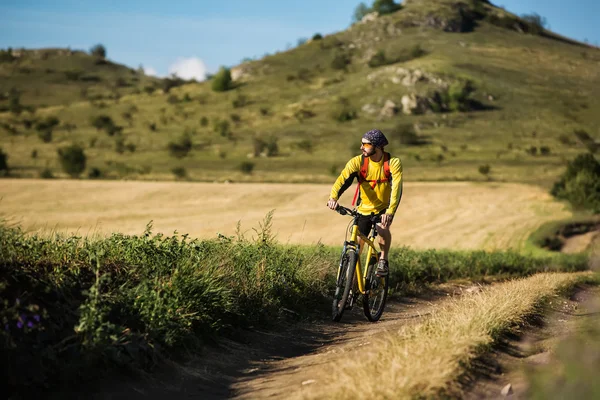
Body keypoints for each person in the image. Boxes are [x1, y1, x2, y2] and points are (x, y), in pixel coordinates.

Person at [327, 129, 403, 277]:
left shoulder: (392, 163)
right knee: (356, 245)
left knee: (382, 228)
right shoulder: (357, 162)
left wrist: (390, 212)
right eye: (362, 144)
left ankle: (383, 259)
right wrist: (333, 198)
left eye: (366, 145)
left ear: (378, 146)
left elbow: (397, 189)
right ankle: (351, 286)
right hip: (363, 209)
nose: (361, 147)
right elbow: (342, 180)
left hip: (383, 209)